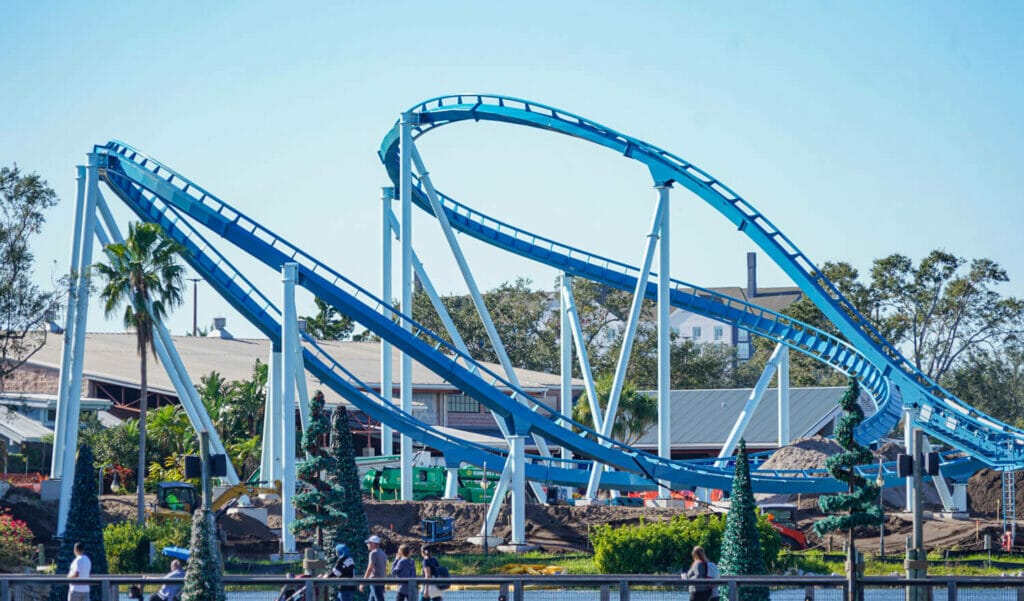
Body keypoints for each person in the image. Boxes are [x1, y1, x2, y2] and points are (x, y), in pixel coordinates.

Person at [360, 535, 386, 601]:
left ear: (373, 544)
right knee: (372, 599)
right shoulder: (383, 553)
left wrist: (363, 582)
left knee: (379, 599)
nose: (367, 545)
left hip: (374, 581)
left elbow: (370, 568)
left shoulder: (373, 553)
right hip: (382, 581)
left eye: (369, 543)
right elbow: (384, 569)